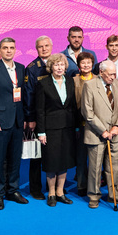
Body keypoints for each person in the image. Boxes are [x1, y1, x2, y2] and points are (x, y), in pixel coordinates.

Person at [0, 38, 31, 209]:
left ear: (15, 49)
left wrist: (24, 118)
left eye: (11, 47)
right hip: (0, 123)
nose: (9, 50)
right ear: (0, 51)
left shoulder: (21, 68)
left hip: (17, 121)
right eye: (5, 48)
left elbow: (23, 95)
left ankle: (13, 190)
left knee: (15, 158)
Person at [81, 60, 118, 209]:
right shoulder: (89, 85)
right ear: (101, 72)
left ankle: (114, 194)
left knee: (114, 167)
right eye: (110, 74)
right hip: (96, 134)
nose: (113, 77)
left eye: (115, 74)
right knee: (95, 168)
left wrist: (117, 127)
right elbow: (88, 113)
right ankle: (94, 196)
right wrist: (103, 131)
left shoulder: (117, 83)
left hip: (114, 134)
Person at [35, 53, 78, 206]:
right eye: (56, 65)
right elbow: (40, 110)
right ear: (51, 67)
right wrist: (41, 132)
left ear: (65, 67)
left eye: (61, 65)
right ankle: (51, 193)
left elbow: (73, 106)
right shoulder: (43, 83)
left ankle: (60, 192)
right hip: (50, 129)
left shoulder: (70, 81)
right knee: (52, 161)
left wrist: (76, 127)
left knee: (64, 160)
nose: (59, 67)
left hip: (67, 127)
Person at [22, 36, 54, 200]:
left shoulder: (58, 63)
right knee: (36, 155)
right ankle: (35, 188)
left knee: (52, 153)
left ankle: (52, 187)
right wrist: (30, 118)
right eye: (41, 46)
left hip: (54, 117)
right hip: (38, 118)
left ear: (51, 46)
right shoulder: (32, 68)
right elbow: (28, 95)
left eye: (46, 46)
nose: (44, 49)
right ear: (36, 49)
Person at [72, 51, 96, 196]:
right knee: (80, 157)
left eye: (88, 62)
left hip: (96, 126)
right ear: (78, 65)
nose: (86, 65)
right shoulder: (73, 80)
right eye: (83, 62)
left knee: (94, 158)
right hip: (79, 124)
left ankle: (94, 185)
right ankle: (81, 185)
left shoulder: (98, 79)